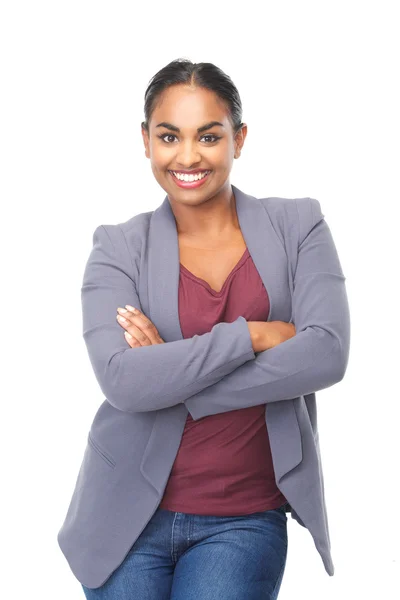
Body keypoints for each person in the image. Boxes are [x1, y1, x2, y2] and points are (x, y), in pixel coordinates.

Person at [57, 58, 350, 599]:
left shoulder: (298, 225)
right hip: (124, 518)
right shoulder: (118, 246)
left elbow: (326, 353)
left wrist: (170, 372)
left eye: (209, 136)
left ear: (239, 139)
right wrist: (253, 336)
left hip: (243, 517)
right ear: (145, 141)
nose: (188, 156)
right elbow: (122, 381)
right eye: (170, 136)